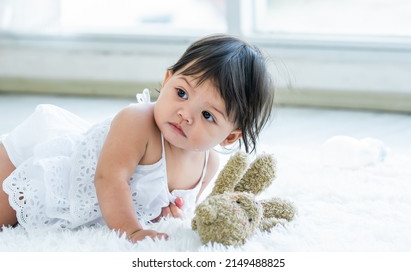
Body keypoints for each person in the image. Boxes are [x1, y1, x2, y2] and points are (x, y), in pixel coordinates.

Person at [0, 34, 275, 242]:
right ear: (167, 80)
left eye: (207, 115)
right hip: (45, 176)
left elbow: (160, 202)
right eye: (182, 93)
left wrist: (166, 214)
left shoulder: (208, 164)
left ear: (229, 137)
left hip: (87, 211)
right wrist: (132, 230)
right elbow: (109, 179)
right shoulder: (138, 122)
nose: (185, 114)